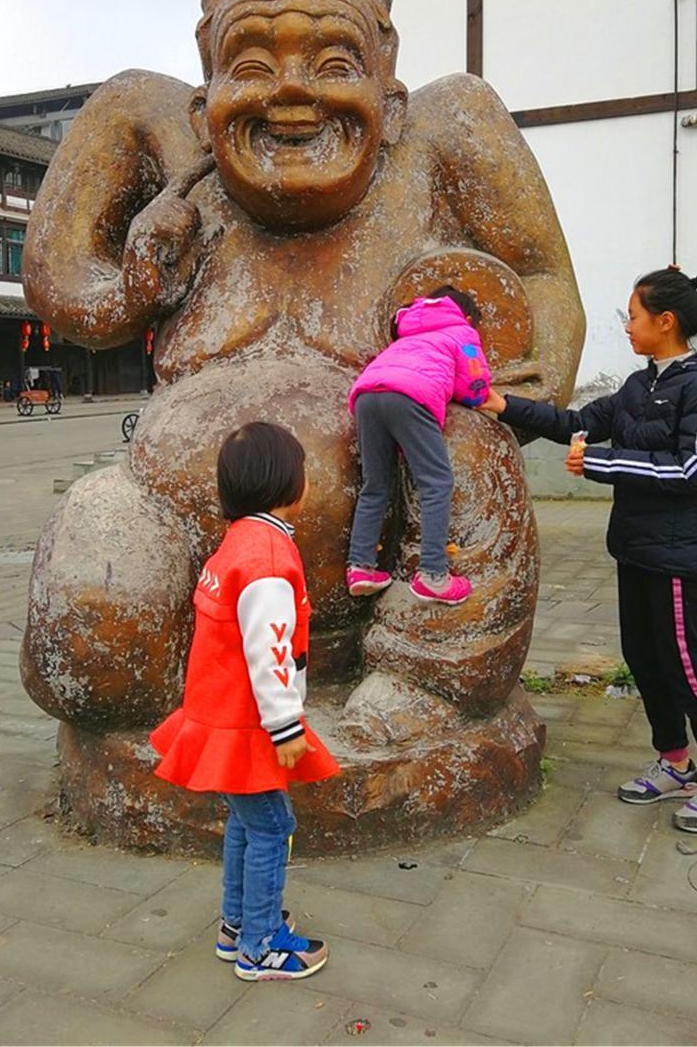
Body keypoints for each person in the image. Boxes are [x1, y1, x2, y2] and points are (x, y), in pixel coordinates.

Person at [481, 267, 697, 834]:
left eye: (633, 316)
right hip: (634, 547)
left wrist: (603, 464)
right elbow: (577, 422)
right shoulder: (640, 385)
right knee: (644, 657)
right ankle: (675, 760)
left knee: (684, 664)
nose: (627, 327)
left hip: (679, 554)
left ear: (666, 321)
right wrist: (502, 404)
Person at [149, 421, 339, 979]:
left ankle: (237, 925)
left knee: (245, 820)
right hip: (249, 722)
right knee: (273, 825)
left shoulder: (235, 545)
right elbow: (271, 650)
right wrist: (286, 725)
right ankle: (260, 944)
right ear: (289, 483)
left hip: (218, 713)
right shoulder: (270, 562)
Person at [346, 286, 492, 605]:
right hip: (411, 395)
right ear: (467, 317)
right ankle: (433, 575)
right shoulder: (461, 331)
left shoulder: (410, 334)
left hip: (367, 396)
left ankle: (360, 567)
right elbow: (474, 381)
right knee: (436, 482)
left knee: (375, 484)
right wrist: (478, 397)